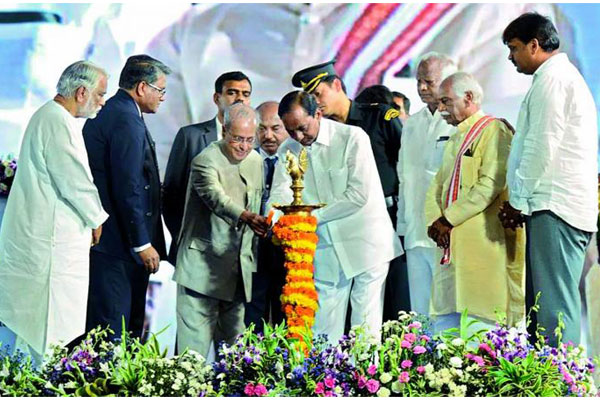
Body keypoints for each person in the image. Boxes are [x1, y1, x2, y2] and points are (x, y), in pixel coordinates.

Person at [268, 91, 403, 343]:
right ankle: (325, 371)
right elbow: (280, 193)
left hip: (366, 242)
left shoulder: (352, 137)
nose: (298, 137)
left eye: (302, 128)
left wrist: (308, 219)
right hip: (325, 246)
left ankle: (364, 370)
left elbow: (358, 195)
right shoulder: (289, 148)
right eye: (290, 130)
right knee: (323, 327)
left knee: (365, 324)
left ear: (318, 114)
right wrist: (276, 220)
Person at [500, 12, 598, 346]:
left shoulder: (553, 80)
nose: (510, 57)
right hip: (552, 206)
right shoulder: (554, 78)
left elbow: (541, 147)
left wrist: (517, 201)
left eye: (514, 48)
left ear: (534, 45)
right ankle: (552, 373)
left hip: (555, 206)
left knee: (553, 312)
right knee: (543, 309)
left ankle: (563, 376)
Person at [0, 61, 108, 362]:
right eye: (100, 94)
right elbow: (74, 180)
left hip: (52, 239)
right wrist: (97, 218)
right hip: (51, 243)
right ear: (82, 92)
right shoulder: (56, 120)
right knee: (48, 333)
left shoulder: (52, 117)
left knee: (44, 333)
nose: (102, 102)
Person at [292, 60, 409, 324]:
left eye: (318, 94)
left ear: (336, 84)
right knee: (339, 307)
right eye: (310, 99)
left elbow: (406, 164)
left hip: (386, 216)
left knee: (391, 298)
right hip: (340, 222)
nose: (316, 103)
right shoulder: (320, 132)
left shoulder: (379, 116)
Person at [424, 72, 525, 334]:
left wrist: (448, 219)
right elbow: (437, 186)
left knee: (483, 330)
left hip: (482, 247)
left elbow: (490, 184)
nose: (440, 109)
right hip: (450, 247)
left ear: (468, 98)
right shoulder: (456, 137)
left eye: (446, 101)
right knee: (446, 330)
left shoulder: (494, 130)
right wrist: (434, 222)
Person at [83, 55, 170, 339]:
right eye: (160, 90)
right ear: (143, 87)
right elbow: (128, 185)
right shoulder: (125, 118)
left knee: (121, 331)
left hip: (116, 245)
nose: (163, 97)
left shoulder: (120, 111)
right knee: (113, 333)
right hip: (118, 246)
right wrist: (142, 243)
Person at [174, 103, 267, 357]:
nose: (244, 146)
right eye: (237, 139)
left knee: (234, 358)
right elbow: (216, 199)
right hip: (201, 271)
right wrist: (247, 217)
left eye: (249, 140)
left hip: (239, 273)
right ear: (224, 131)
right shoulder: (205, 160)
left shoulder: (256, 161)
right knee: (191, 357)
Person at [163, 71, 252, 264]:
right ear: (217, 98)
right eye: (232, 92)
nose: (240, 99)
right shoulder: (191, 136)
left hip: (239, 250)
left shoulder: (256, 141)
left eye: (245, 94)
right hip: (195, 248)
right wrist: (182, 236)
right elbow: (171, 192)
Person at [396, 52, 457, 317]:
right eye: (419, 81)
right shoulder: (412, 123)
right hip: (414, 230)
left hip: (445, 230)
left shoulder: (459, 122)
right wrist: (402, 225)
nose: (421, 88)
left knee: (447, 308)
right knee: (419, 311)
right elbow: (404, 176)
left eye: (428, 82)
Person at [244, 101, 289, 332]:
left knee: (286, 315)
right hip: (252, 247)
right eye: (261, 129)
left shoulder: (298, 160)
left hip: (288, 247)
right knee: (252, 316)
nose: (268, 135)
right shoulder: (244, 160)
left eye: (275, 128)